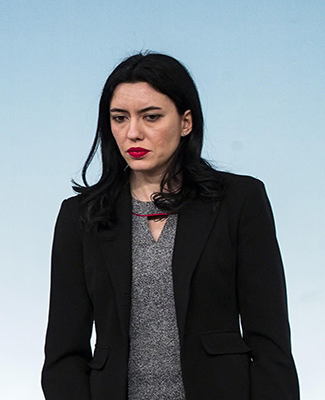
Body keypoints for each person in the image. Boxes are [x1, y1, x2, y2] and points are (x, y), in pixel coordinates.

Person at [42, 52, 299, 399]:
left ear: (186, 122)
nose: (133, 132)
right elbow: (63, 354)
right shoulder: (80, 216)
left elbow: (271, 345)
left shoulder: (239, 201)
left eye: (151, 117)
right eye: (120, 118)